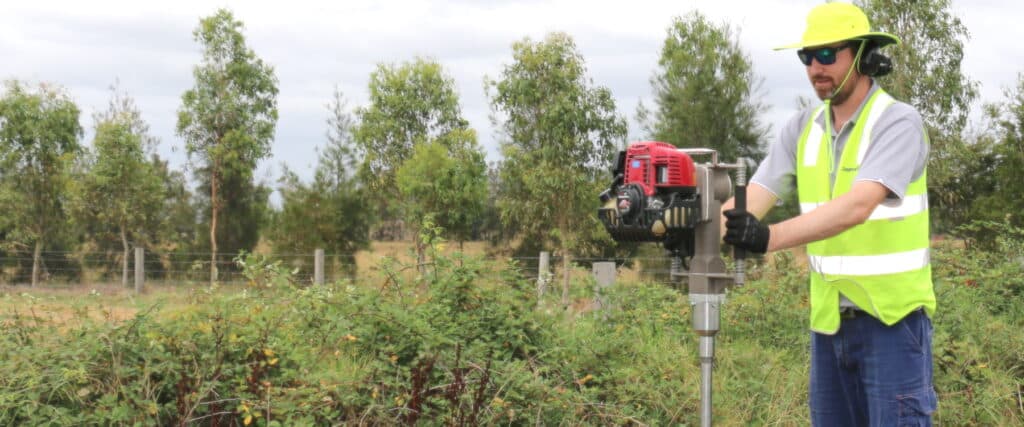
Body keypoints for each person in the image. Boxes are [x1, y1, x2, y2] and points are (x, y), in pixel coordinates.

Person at [721, 2, 938, 426]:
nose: (815, 68)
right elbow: (755, 197)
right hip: (828, 326)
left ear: (861, 55)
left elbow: (858, 205)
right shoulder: (802, 127)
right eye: (807, 56)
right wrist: (688, 222)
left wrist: (770, 239)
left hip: (892, 324)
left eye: (827, 55)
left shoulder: (897, 123)